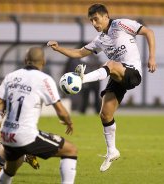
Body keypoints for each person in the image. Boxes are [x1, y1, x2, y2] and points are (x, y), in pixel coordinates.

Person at [47, 3, 156, 172]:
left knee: (110, 64)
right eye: (91, 21)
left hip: (132, 73)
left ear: (106, 16)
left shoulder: (120, 25)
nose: (94, 24)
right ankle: (112, 151)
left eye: (96, 19)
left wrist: (152, 58)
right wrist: (58, 48)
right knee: (105, 115)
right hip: (116, 75)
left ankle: (81, 79)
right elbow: (79, 53)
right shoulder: (100, 40)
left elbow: (148, 32)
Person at [0, 47, 77, 184]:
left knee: (9, 170)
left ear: (25, 60)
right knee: (71, 150)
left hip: (6, 135)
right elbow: (61, 111)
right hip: (25, 135)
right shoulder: (44, 79)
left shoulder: (11, 76)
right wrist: (68, 121)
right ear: (44, 61)